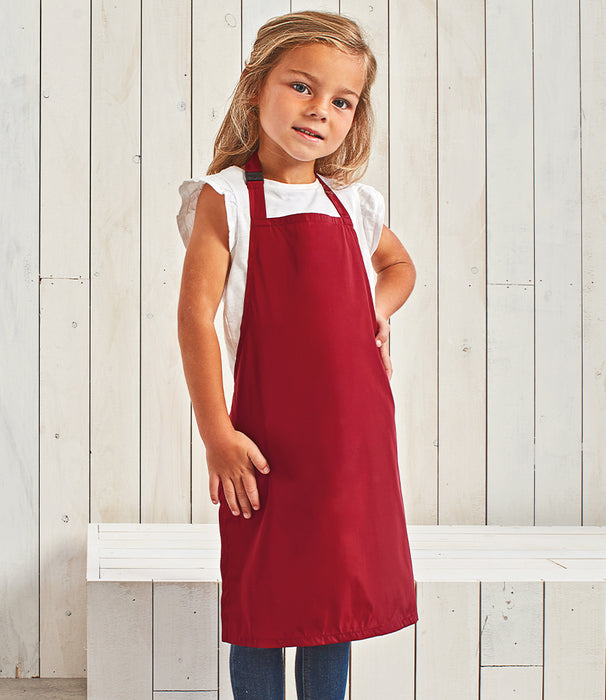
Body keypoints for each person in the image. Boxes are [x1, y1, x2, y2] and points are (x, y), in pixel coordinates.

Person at [176, 10, 418, 700]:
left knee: (332, 602)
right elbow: (194, 319)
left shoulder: (354, 204)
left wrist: (373, 310)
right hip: (265, 442)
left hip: (350, 444)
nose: (320, 110)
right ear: (257, 88)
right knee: (262, 601)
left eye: (342, 101)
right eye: (302, 87)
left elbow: (400, 268)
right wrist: (217, 434)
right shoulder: (226, 199)